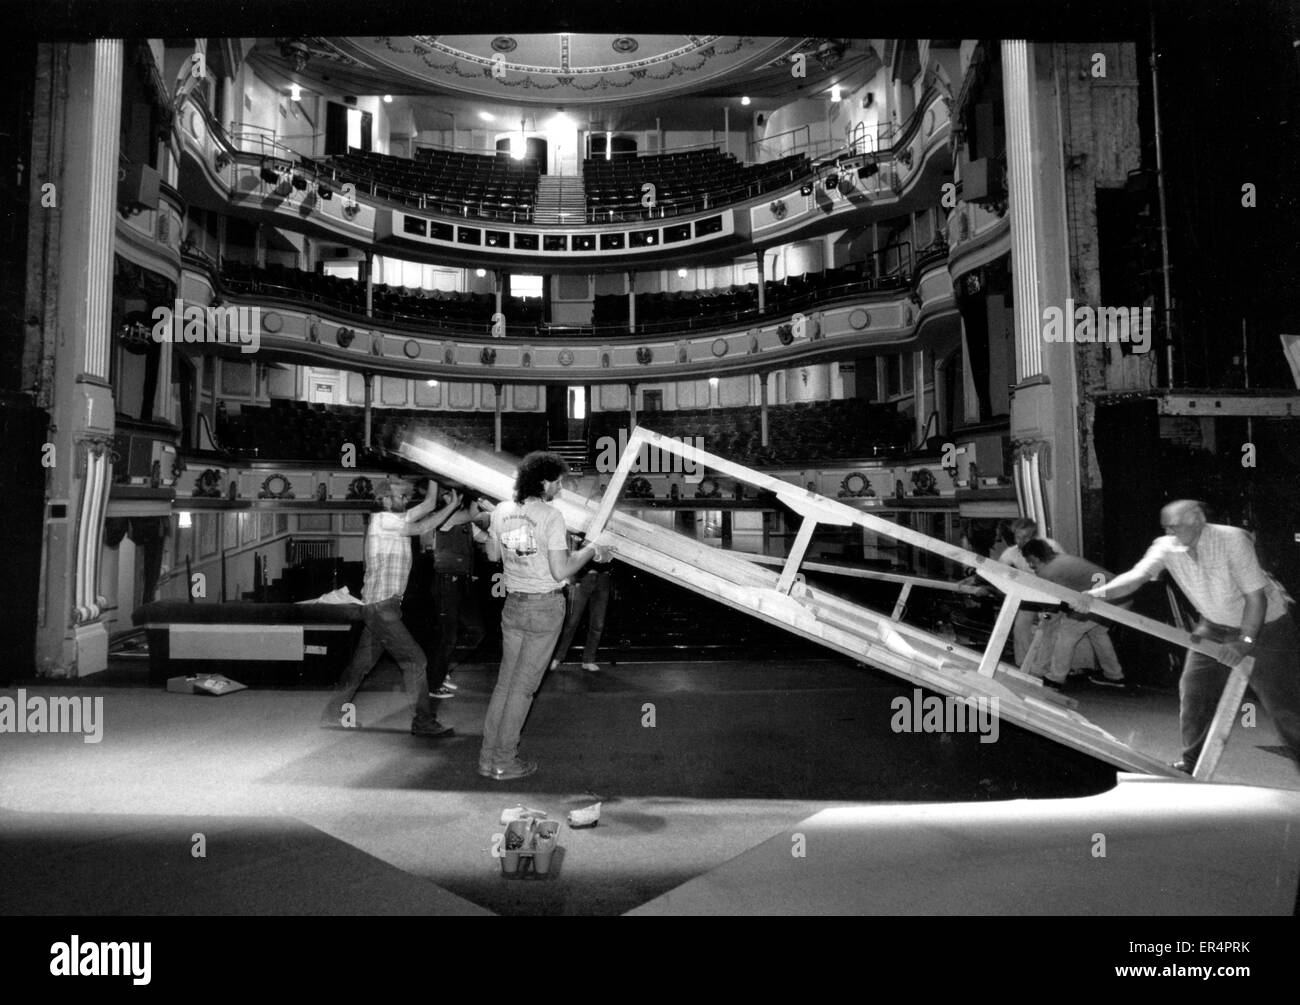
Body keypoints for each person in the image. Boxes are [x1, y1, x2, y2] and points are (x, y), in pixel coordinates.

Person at [1086, 500, 1300, 772]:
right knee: (1194, 692)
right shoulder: (1166, 546)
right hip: (1213, 626)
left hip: (1267, 627)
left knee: (1286, 708)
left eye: (1175, 527)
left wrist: (1245, 643)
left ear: (1197, 519)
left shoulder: (1231, 539)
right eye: (1166, 528)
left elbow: (1256, 599)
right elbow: (1135, 578)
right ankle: (1191, 763)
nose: (1170, 534)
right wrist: (1096, 595)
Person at [480, 452, 610, 781]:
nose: (560, 488)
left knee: (504, 686)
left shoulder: (501, 511)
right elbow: (561, 570)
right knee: (523, 690)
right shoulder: (551, 516)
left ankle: (487, 759)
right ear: (544, 482)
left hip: (513, 605)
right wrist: (591, 550)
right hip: (544, 607)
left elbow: (492, 553)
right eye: (558, 482)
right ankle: (505, 761)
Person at [324, 479, 462, 737]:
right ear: (385, 499)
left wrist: (431, 475)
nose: (403, 500)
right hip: (381, 607)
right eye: (399, 497)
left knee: (361, 665)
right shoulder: (383, 520)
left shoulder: (396, 518)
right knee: (416, 661)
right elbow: (423, 525)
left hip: (382, 607)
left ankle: (334, 714)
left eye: (405, 497)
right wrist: (451, 507)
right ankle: (423, 722)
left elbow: (429, 504)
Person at [1020, 539, 1127, 690]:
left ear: (1034, 558)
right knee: (1097, 632)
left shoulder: (1047, 572)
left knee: (1067, 632)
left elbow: (1052, 603)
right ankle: (1114, 675)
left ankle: (1055, 679)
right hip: (1121, 594)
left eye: (1029, 560)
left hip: (1103, 599)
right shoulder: (1061, 559)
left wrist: (1044, 616)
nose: (1030, 565)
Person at [420, 491, 491, 699]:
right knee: (448, 636)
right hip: (446, 581)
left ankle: (442, 671)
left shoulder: (465, 521)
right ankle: (434, 683)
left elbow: (484, 537)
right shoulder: (446, 517)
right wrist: (480, 494)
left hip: (462, 582)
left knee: (477, 631)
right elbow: (471, 514)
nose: (456, 498)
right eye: (451, 495)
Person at [550, 537, 613, 673]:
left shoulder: (610, 533)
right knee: (571, 621)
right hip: (584, 579)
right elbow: (573, 552)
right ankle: (557, 657)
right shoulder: (585, 529)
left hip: (603, 578)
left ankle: (588, 659)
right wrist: (574, 578)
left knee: (598, 623)